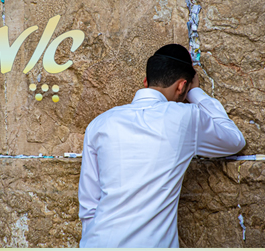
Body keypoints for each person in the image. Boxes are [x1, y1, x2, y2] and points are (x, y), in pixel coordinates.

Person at [78, 44, 246, 248]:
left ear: (146, 81)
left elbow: (89, 206)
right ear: (181, 86)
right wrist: (196, 93)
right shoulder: (186, 118)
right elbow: (234, 140)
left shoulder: (99, 123)